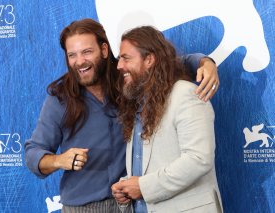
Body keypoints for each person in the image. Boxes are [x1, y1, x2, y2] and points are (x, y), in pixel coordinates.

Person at [25, 18, 219, 212]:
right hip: (82, 207)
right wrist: (59, 160)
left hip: (131, 202)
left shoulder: (128, 79)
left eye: (87, 52)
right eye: (72, 55)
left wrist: (205, 62)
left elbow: (164, 64)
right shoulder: (59, 99)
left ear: (104, 50)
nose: (79, 61)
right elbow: (33, 152)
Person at [111, 25, 223, 213]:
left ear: (149, 60)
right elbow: (149, 166)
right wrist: (127, 188)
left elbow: (198, 159)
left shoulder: (185, 94)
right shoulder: (137, 104)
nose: (119, 66)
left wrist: (143, 187)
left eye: (126, 58)